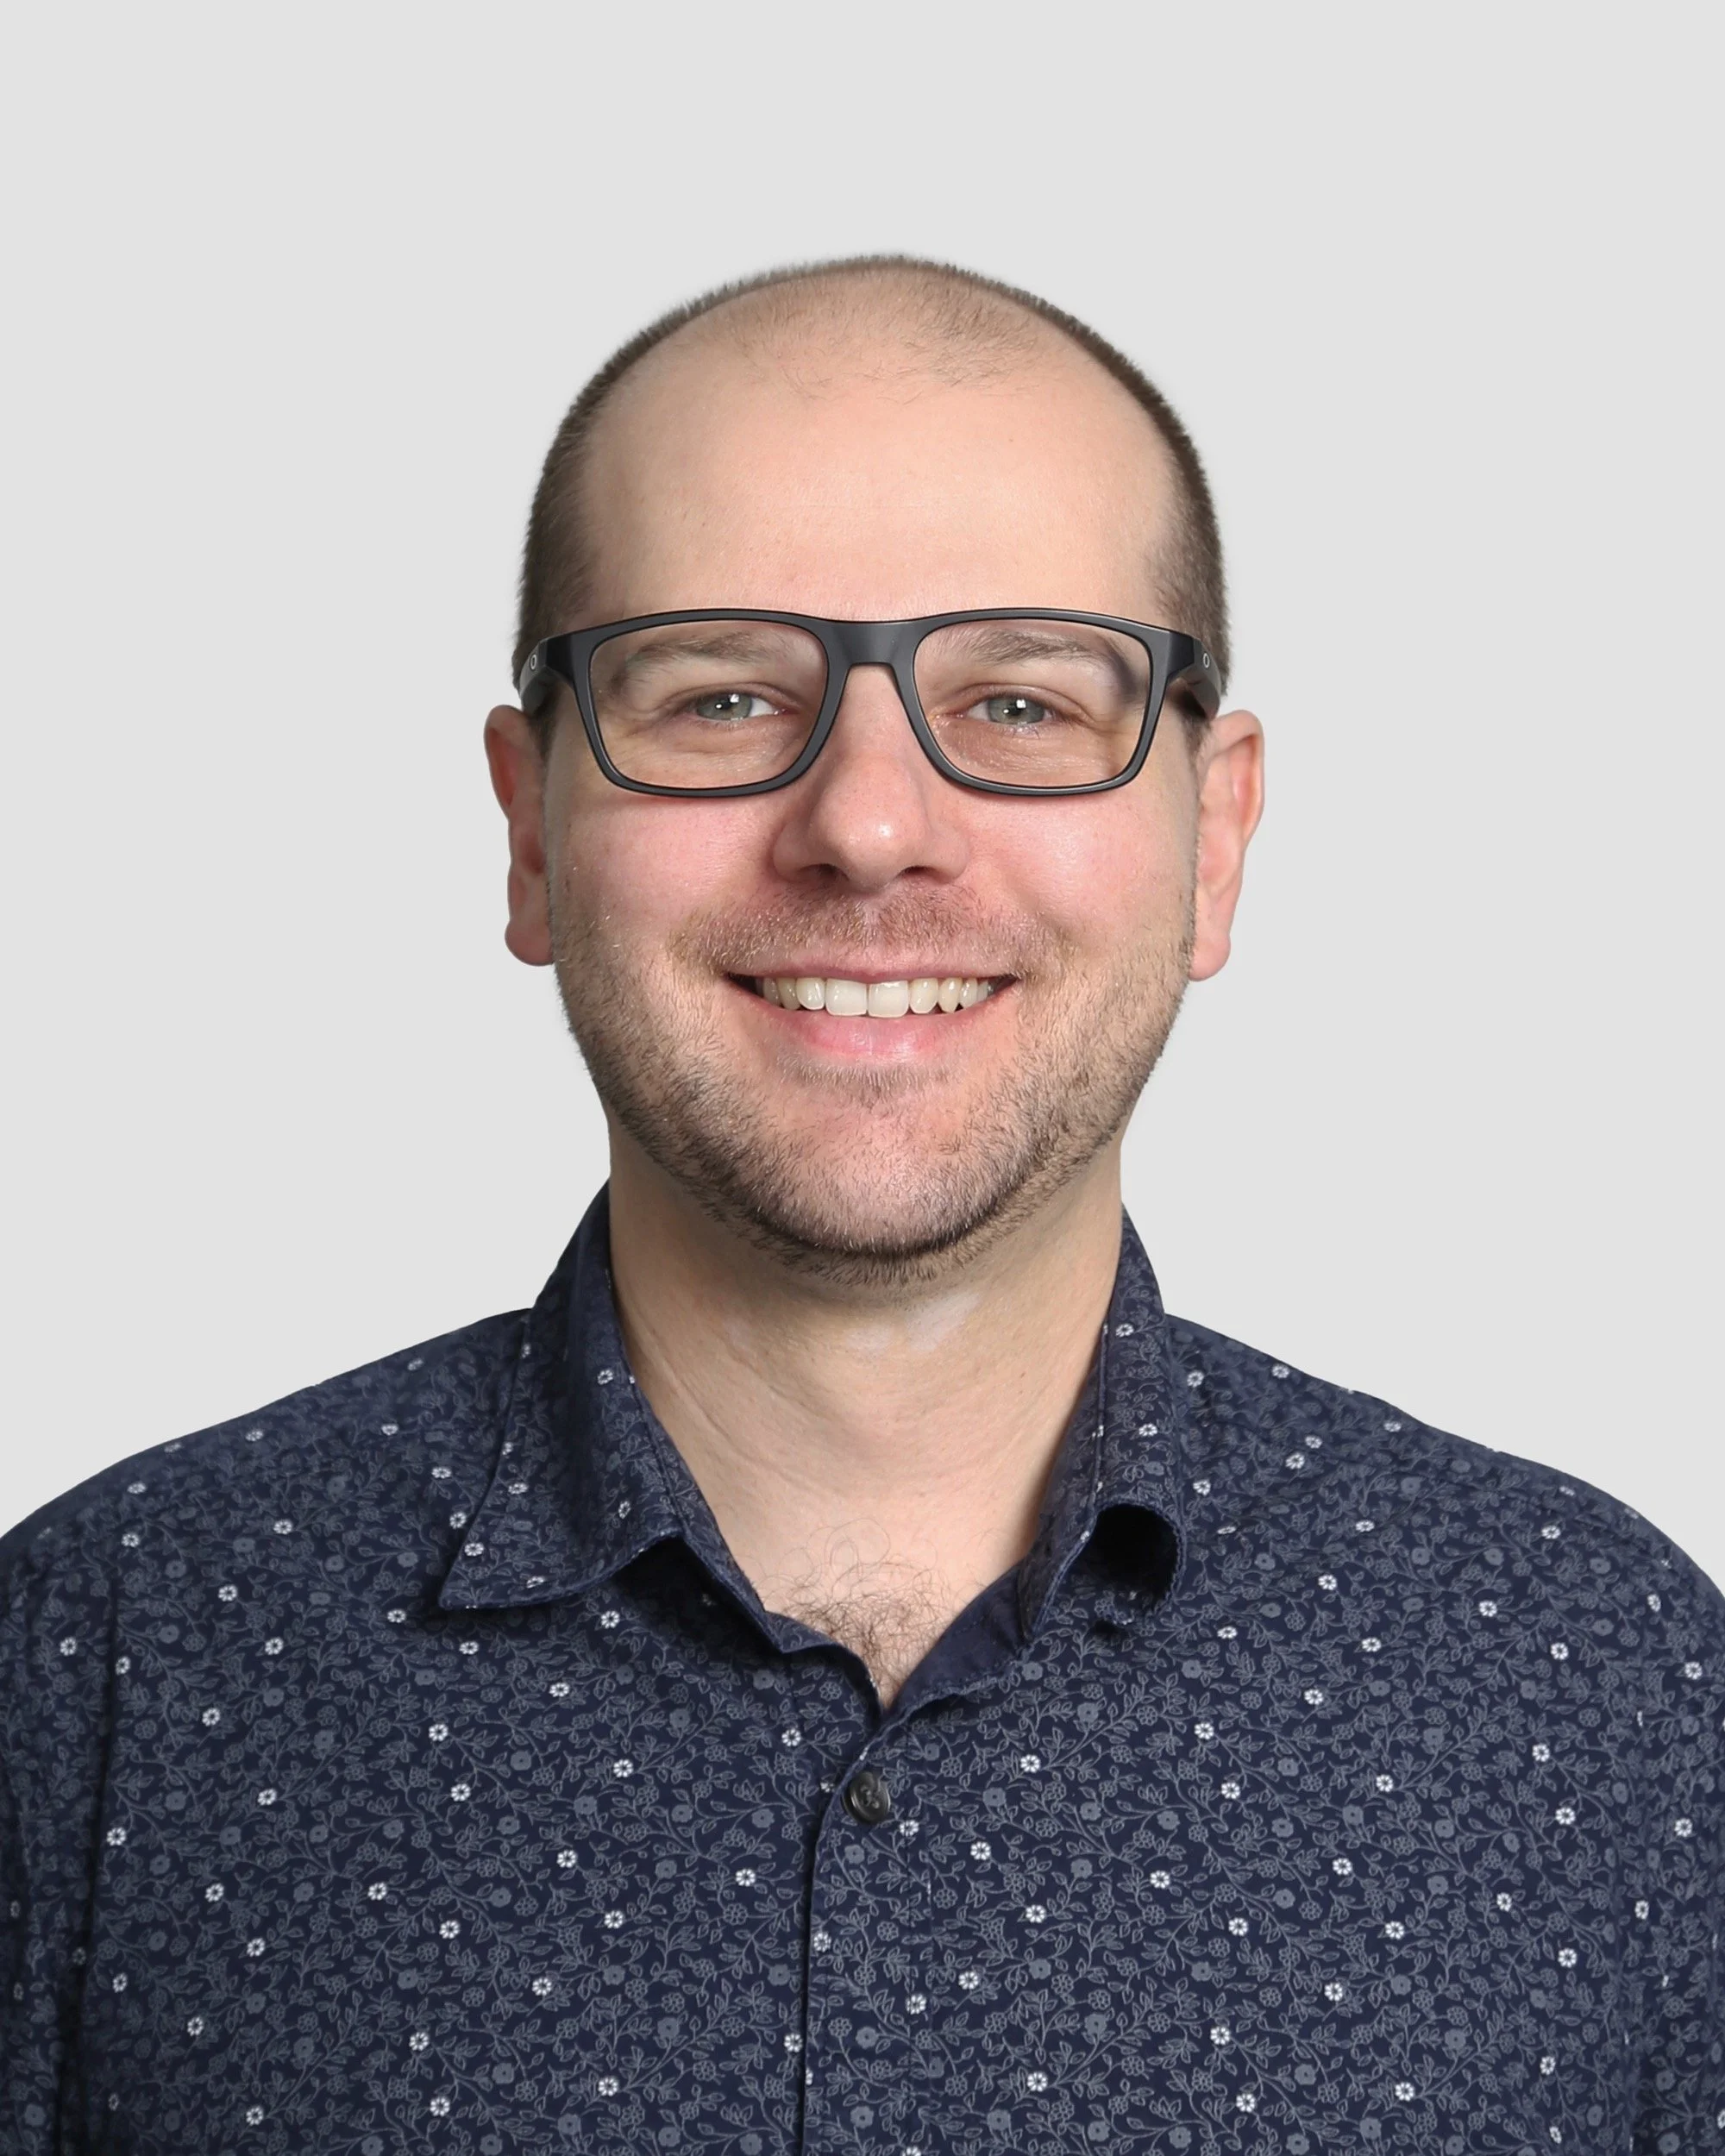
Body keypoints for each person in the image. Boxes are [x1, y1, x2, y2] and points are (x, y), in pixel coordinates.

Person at [2, 256, 1718, 2155]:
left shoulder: (1608, 1691)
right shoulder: (94, 1665)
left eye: (1021, 696)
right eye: (726, 693)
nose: (868, 822)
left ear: (1211, 841)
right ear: (528, 829)